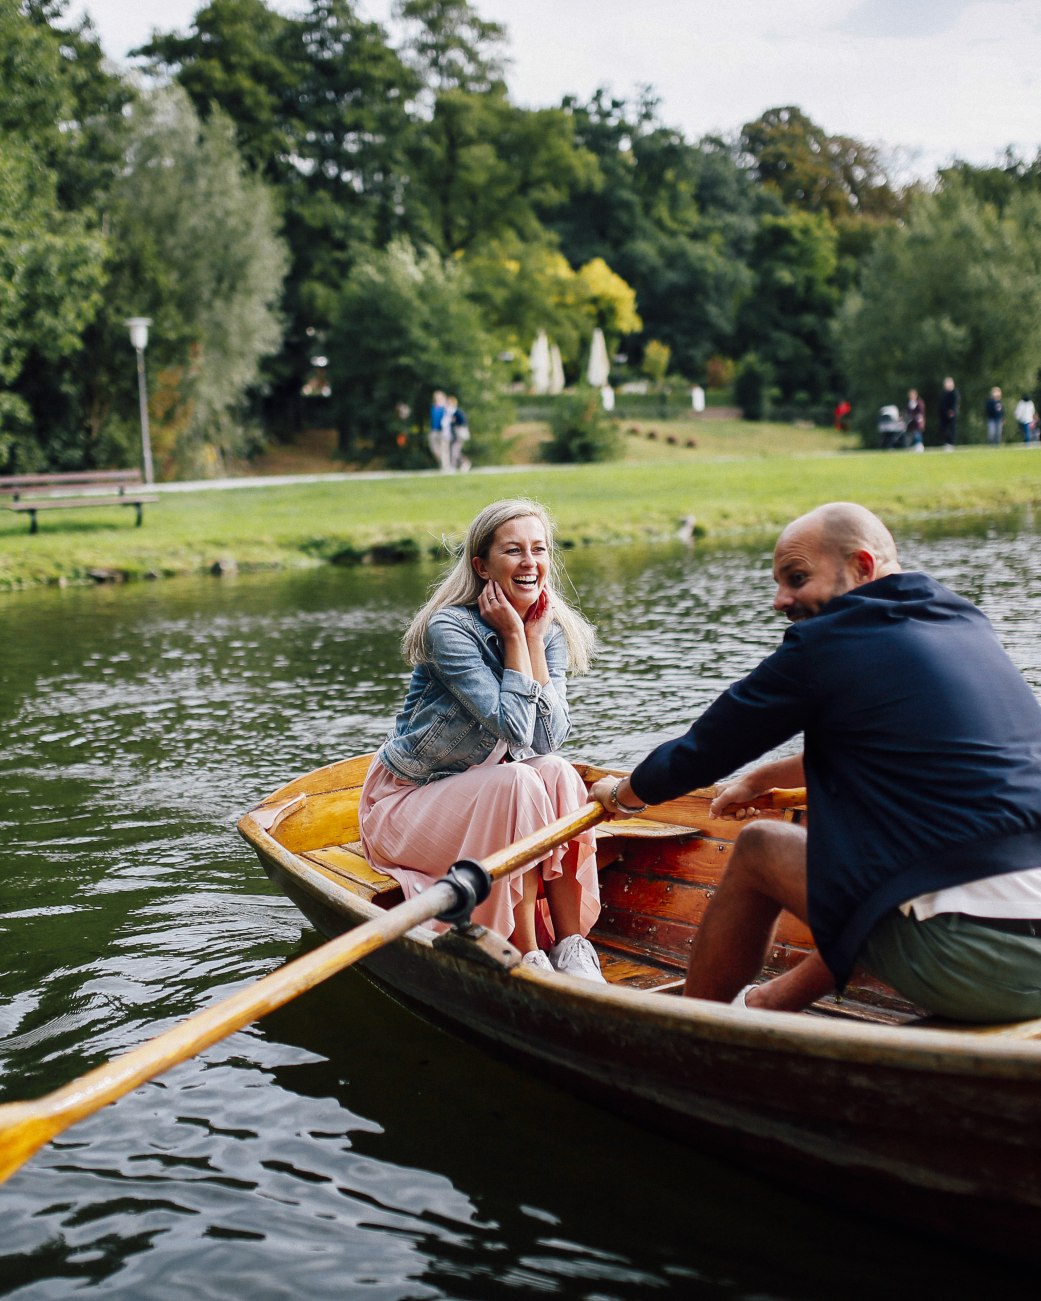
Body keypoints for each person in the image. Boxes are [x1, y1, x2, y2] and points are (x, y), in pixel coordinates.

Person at [591, 502, 1041, 1023]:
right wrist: (762, 777)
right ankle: (770, 1002)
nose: (781, 600)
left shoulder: (828, 642)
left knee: (761, 846)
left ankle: (693, 1032)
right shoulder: (960, 620)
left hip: (981, 962)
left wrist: (624, 796)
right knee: (865, 853)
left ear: (863, 566)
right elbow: (890, 744)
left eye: (797, 579)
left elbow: (704, 749)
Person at [359, 498, 604, 980]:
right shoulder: (449, 628)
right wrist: (515, 638)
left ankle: (572, 945)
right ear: (482, 565)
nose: (530, 562)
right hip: (405, 805)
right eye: (514, 550)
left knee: (556, 772)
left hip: (484, 797)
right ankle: (528, 952)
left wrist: (533, 638)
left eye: (539, 549)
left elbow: (547, 739)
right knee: (516, 782)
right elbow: (512, 730)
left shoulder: (546, 628)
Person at [428, 389, 450, 470]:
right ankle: (442, 462)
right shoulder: (433, 406)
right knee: (433, 448)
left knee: (444, 448)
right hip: (433, 430)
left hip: (443, 431)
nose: (437, 398)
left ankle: (445, 467)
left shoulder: (446, 407)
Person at [938, 376, 959, 448]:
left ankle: (951, 443)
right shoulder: (943, 393)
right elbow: (941, 404)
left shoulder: (954, 393)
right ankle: (947, 442)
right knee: (944, 429)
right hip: (943, 415)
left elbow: (955, 404)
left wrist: (952, 411)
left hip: (951, 414)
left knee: (952, 429)